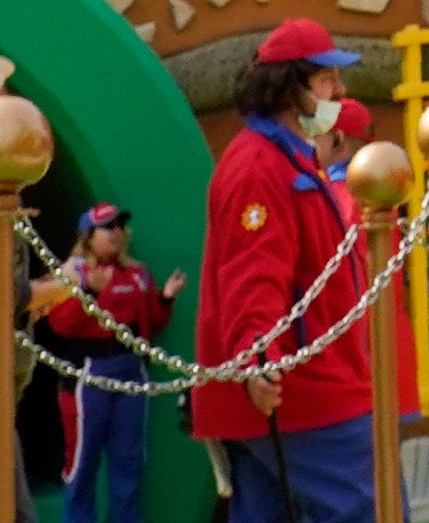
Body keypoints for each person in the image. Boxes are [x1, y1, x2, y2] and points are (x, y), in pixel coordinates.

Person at [187, 28, 369, 523]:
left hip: (295, 388)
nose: (340, 92)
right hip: (300, 392)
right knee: (369, 508)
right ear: (292, 87)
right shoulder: (259, 166)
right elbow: (254, 274)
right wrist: (260, 357)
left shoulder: (283, 156)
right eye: (328, 79)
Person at [29, 204, 164, 523]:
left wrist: (166, 300)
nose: (116, 231)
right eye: (108, 226)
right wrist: (91, 291)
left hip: (131, 371)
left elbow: (149, 323)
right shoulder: (72, 273)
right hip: (89, 374)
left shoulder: (137, 272)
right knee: (81, 464)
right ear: (88, 237)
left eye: (119, 225)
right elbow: (60, 324)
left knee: (130, 462)